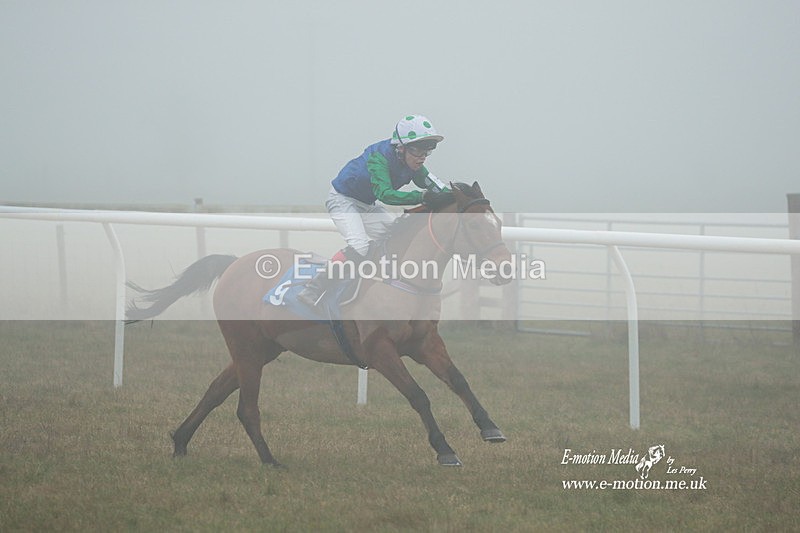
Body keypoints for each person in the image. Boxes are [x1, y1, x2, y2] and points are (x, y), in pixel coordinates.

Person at [297, 114, 452, 306]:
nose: (421, 158)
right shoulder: (378, 159)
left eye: (426, 152)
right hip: (343, 199)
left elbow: (436, 186)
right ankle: (315, 287)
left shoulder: (413, 162)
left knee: (396, 235)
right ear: (400, 147)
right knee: (360, 247)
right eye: (417, 151)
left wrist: (455, 196)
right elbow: (386, 194)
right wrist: (422, 197)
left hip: (366, 204)